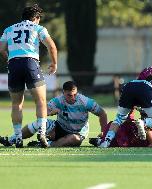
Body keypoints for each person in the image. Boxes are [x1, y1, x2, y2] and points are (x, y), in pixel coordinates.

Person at [0, 4, 57, 148]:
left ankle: (18, 137)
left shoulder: (9, 29)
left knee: (16, 104)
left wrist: (8, 59)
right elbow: (51, 46)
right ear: (36, 18)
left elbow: (1, 48)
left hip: (14, 65)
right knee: (41, 101)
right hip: (30, 63)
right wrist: (54, 64)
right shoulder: (38, 28)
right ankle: (42, 134)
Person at [0, 81, 108, 147]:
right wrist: (51, 113)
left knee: (74, 139)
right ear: (63, 93)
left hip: (77, 132)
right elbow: (43, 113)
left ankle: (46, 144)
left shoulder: (86, 102)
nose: (73, 98)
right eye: (69, 95)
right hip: (59, 127)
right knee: (38, 123)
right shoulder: (57, 101)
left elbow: (102, 114)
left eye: (75, 94)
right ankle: (11, 140)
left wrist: (104, 132)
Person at [98, 79, 152, 148]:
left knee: (118, 119)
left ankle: (106, 141)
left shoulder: (138, 83)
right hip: (144, 88)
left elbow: (128, 117)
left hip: (128, 87)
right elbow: (150, 120)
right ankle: (143, 122)